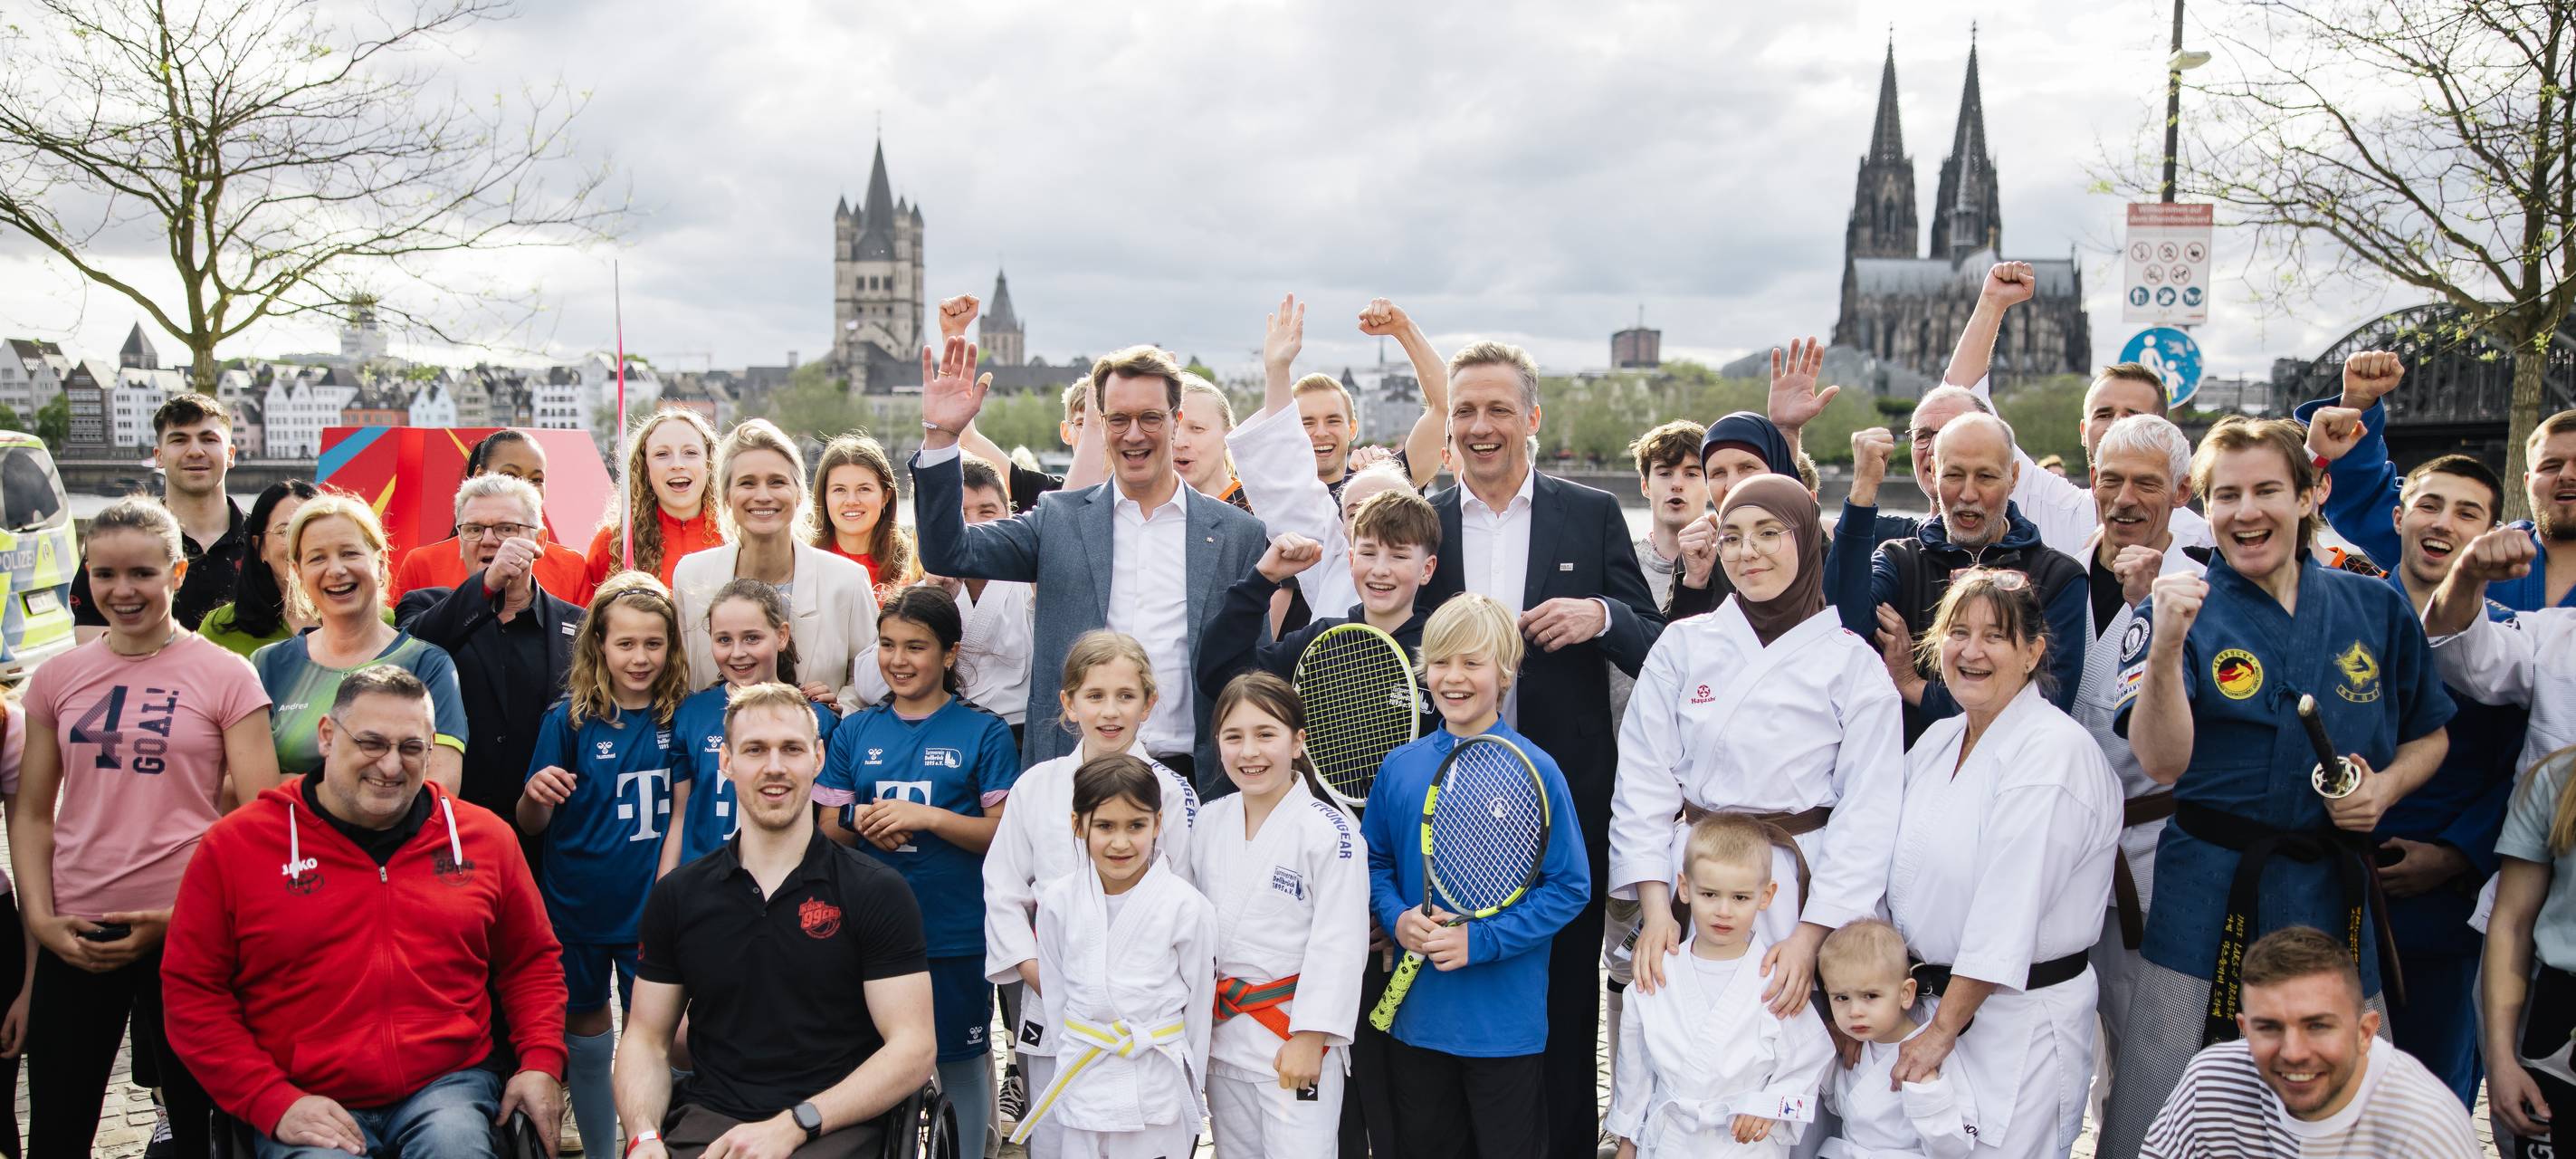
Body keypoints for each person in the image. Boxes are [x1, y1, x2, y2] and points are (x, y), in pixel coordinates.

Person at [2102, 417, 2457, 1156]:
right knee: (2168, 1088)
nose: (2246, 511)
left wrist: (2384, 788)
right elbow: (2162, 761)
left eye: (2268, 489)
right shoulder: (2178, 610)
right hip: (2211, 888)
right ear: (2206, 502)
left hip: (2333, 887)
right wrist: (2166, 648)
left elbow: (2432, 733)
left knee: (2340, 1087)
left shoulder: (2375, 606)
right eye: (2226, 495)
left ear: (2309, 494)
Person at [1415, 340, 1664, 1154]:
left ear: (1533, 417)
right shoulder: (1422, 518)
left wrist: (1601, 614)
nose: (1480, 427)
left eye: (1496, 409)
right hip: (1444, 802)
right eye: (1464, 411)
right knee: (1448, 983)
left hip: (1563, 800)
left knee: (1563, 995)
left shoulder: (1589, 514)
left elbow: (1652, 643)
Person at [161, 664, 568, 1155]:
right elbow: (192, 993)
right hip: (303, 1096)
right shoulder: (238, 846)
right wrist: (271, 1099)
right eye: (371, 743)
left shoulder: (484, 838)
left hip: (448, 1086)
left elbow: (531, 962)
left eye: (411, 748)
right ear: (328, 736)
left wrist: (541, 1062)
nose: (391, 766)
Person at [1609, 473, 1903, 1112]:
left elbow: (1869, 813)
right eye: (1735, 536)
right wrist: (1657, 906)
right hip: (1698, 881)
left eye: (1770, 534)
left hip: (1797, 890)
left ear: (1807, 542)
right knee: (1681, 1052)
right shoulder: (1686, 646)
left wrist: (1811, 937)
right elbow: (1642, 781)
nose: (1750, 553)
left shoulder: (1852, 664)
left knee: (1788, 1068)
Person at [10, 498, 278, 1156]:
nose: (122, 591)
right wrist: (41, 923)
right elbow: (33, 813)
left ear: (177, 573)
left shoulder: (226, 675)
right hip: (77, 928)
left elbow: (259, 815)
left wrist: (182, 914)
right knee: (58, 1128)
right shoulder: (57, 678)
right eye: (104, 575)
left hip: (188, 929)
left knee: (198, 1129)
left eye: (141, 574)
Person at [912, 338, 1270, 787]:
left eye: (1150, 418)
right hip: (1073, 771)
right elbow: (949, 551)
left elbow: (1252, 672)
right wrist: (942, 438)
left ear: (1176, 422)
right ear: (1101, 423)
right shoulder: (1058, 521)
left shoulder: (1239, 534)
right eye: (1119, 419)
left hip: (1195, 776)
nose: (1134, 434)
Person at [615, 681, 937, 1159]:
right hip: (713, 1119)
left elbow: (913, 1049)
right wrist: (643, 1137)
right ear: (726, 761)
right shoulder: (679, 897)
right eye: (754, 750)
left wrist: (795, 1124)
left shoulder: (875, 891)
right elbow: (645, 1039)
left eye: (791, 748)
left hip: (835, 1122)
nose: (774, 767)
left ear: (818, 757)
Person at [1885, 568, 2119, 1158]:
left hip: (2019, 1024)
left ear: (2033, 651)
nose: (1972, 651)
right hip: (1926, 1007)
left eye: (1995, 636)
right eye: (1958, 632)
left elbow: (2006, 908)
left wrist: (1942, 1030)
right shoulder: (1938, 739)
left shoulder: (2053, 753)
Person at [1364, 593, 1589, 1159]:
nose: (1454, 677)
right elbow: (1375, 863)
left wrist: (1479, 940)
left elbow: (1569, 887)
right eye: (1440, 662)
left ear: (1505, 672)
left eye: (1472, 662)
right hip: (1416, 1020)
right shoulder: (1402, 766)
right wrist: (1396, 917)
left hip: (1503, 1029)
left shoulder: (1538, 769)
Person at [816, 587, 1018, 1156]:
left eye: (915, 647)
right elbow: (828, 825)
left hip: (952, 929)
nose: (898, 660)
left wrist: (927, 818)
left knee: (960, 1057)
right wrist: (867, 818)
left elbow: (1002, 834)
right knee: (871, 1061)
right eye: (886, 645)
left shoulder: (984, 732)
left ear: (950, 654)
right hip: (868, 934)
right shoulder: (855, 731)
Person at [981, 631, 1200, 1154]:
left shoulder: (1172, 793)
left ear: (1149, 704)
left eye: (1126, 696)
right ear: (1068, 703)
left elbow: (1187, 901)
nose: (1110, 712)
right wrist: (1045, 974)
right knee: (1059, 1141)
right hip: (1058, 1007)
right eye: (1095, 696)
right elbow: (1003, 890)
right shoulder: (1036, 786)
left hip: (1144, 1018)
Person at [517, 575, 690, 1159]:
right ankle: (597, 1148)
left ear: (671, 647)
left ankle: (653, 1142)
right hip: (578, 905)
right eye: (625, 644)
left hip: (653, 910)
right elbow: (531, 823)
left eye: (653, 643)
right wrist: (535, 797)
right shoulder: (568, 720)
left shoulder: (682, 720)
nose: (639, 657)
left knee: (656, 1035)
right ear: (599, 646)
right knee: (587, 1028)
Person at [2060, 414, 2202, 1119]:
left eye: (2146, 483)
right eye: (2110, 479)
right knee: (2050, 1044)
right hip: (2054, 849)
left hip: (2145, 856)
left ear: (2181, 491)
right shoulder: (2055, 572)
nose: (2124, 498)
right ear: (2091, 480)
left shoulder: (2201, 592)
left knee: (2146, 1048)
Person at [1188, 672, 1369, 1157]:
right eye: (1234, 737)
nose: (1249, 752)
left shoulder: (1330, 830)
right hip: (1223, 1038)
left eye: (1266, 734)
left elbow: (1340, 942)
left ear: (1297, 742)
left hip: (1291, 1035)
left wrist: (1311, 1037)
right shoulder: (1208, 821)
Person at [1931, 261, 2215, 560]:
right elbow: (1960, 405)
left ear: (2162, 427)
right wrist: (1992, 303)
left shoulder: (2199, 538)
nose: (2116, 424)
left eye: (2132, 415)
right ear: (2083, 430)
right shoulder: (2051, 501)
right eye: (2104, 414)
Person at [1830, 411, 2087, 741]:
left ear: (2014, 476)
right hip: (1908, 782)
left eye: (1985, 477)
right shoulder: (1900, 560)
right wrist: (1862, 493)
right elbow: (1839, 629)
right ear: (1933, 473)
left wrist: (1914, 686)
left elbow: (2047, 704)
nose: (1968, 494)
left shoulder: (2059, 577)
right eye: (1954, 475)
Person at [1012, 754, 1217, 1155]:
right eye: (1105, 826)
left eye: (1136, 826)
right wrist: (1074, 1045)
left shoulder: (1186, 906)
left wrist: (1189, 1080)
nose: (1121, 842)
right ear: (1078, 825)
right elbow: (1055, 996)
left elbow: (1199, 1011)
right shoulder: (1057, 901)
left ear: (1158, 824)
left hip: (1155, 1080)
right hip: (1085, 1074)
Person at [2141, 926, 2478, 1157]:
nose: (2294, 1053)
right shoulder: (2211, 1080)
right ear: (2244, 1028)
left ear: (2365, 1032)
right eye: (2269, 1027)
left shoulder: (2426, 1126)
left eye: (2317, 1026)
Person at [1607, 813, 1832, 1157]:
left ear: (1767, 895)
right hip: (1670, 1141)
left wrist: (1769, 1105)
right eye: (1709, 894)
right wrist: (1627, 1140)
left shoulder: (1775, 980)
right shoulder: (1660, 971)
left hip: (1746, 1145)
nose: (1724, 911)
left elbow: (1810, 1057)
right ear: (1684, 888)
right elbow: (1633, 1065)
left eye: (1740, 898)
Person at [2300, 351, 2576, 610]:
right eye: (2551, 466)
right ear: (2528, 482)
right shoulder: (2473, 551)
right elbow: (2360, 498)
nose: (2566, 475)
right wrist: (2358, 404)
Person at [1226, 296, 1436, 625]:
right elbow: (1283, 463)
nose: (1320, 433)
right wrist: (1277, 370)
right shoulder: (1331, 548)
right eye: (1354, 511)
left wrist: (1405, 331)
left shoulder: (1390, 475)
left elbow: (1444, 411)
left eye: (1332, 420)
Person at [396, 473, 586, 820]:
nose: (488, 541)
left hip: (554, 827)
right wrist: (488, 584)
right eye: (473, 529)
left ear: (539, 539)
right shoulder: (424, 607)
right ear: (459, 540)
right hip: (456, 823)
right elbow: (409, 657)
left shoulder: (579, 625)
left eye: (505, 529)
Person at [252, 494, 470, 790]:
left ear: (380, 564)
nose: (336, 570)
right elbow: (245, 789)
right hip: (287, 836)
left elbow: (440, 788)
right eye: (317, 557)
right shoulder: (267, 665)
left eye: (350, 553)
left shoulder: (428, 664)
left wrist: (299, 786)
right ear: (298, 573)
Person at [673, 418, 883, 714]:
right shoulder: (690, 575)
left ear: (799, 494)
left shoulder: (846, 580)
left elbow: (869, 677)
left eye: (777, 482)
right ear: (726, 497)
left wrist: (835, 709)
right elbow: (680, 678)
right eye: (747, 483)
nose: (763, 495)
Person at [1194, 487, 1442, 701]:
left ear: (1427, 569)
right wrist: (1263, 578)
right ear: (1352, 559)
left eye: (1399, 556)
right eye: (1368, 553)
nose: (1380, 570)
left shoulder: (1442, 649)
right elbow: (1221, 677)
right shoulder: (1318, 642)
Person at [663, 579, 835, 872]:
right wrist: (665, 891)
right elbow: (679, 816)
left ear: (781, 636)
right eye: (724, 640)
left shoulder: (818, 718)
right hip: (705, 883)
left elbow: (825, 818)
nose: (738, 652)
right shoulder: (690, 713)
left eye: (752, 638)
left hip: (785, 884)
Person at [69, 393, 250, 640]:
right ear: (159, 456)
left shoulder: (264, 539)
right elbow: (92, 646)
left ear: (230, 454)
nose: (195, 451)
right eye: (179, 440)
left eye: (208, 439)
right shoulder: (122, 542)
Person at [1816, 920, 1980, 1159]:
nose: (1854, 1011)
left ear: (1906, 994)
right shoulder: (1854, 1048)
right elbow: (1839, 1106)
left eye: (1870, 996)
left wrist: (1928, 1094)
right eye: (1841, 997)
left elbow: (1955, 1148)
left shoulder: (1931, 1053)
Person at [936, 293, 1111, 513]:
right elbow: (967, 437)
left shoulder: (1150, 498)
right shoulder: (1043, 494)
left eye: (1105, 422)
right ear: (1066, 432)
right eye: (1083, 424)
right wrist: (954, 335)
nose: (1094, 435)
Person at [392, 428, 591, 604]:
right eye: (510, 475)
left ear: (541, 539)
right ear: (479, 476)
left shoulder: (570, 566)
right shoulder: (423, 564)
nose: (525, 487)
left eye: (537, 479)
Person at [926, 456, 1033, 744]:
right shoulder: (925, 589)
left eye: (987, 512)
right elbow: (873, 684)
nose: (972, 526)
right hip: (942, 733)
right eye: (959, 514)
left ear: (1010, 515)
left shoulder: (1032, 589)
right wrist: (931, 600)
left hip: (1019, 734)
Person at [586, 407, 725, 594]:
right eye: (662, 454)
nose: (677, 464)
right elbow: (589, 619)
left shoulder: (735, 536)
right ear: (645, 468)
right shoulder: (615, 542)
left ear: (709, 463)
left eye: (690, 452)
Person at [197, 479, 325, 656]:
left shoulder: (370, 621)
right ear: (260, 547)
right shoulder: (220, 629)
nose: (299, 543)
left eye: (309, 528)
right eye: (285, 532)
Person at [809, 432, 916, 594]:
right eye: (839, 490)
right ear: (824, 497)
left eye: (864, 489)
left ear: (885, 496)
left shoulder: (912, 566)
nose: (851, 501)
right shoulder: (802, 563)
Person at [1624, 420, 1710, 611]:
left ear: (1710, 485)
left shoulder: (1734, 565)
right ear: (1645, 486)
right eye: (1665, 473)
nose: (1677, 484)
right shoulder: (1623, 570)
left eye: (1691, 474)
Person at [1174, 374, 1255, 512]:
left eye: (1197, 428)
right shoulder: (1143, 508)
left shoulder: (1258, 508)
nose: (1179, 442)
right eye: (1172, 428)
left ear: (1227, 436)